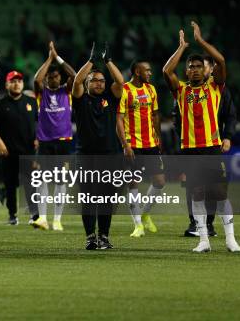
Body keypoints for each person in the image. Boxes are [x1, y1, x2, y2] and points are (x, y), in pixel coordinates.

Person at [162, 23, 240, 253]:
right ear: (187, 71)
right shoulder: (181, 91)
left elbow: (222, 61)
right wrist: (181, 48)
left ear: (205, 70)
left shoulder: (215, 87)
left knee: (219, 193)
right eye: (191, 67)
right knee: (196, 192)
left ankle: (230, 239)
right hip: (190, 149)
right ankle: (204, 240)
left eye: (199, 66)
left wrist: (201, 41)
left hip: (211, 147)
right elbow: (167, 72)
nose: (195, 69)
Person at [71, 42, 124, 250]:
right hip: (85, 155)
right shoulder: (80, 99)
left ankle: (104, 236)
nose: (99, 84)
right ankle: (90, 237)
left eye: (102, 81)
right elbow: (76, 81)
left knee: (106, 198)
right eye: (94, 81)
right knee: (88, 198)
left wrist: (108, 61)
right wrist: (91, 60)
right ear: (87, 84)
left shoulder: (111, 98)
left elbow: (120, 81)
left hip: (109, 155)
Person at [180, 55, 237, 237]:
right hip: (190, 144)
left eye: (203, 67)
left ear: (210, 69)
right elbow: (177, 117)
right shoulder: (186, 91)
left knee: (216, 188)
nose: (199, 70)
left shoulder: (219, 88)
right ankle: (195, 224)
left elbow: (230, 115)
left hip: (213, 143)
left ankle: (210, 223)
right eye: (194, 67)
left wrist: (227, 136)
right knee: (193, 188)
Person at [116, 59, 166, 237]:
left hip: (151, 144)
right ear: (137, 72)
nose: (150, 73)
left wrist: (158, 136)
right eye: (147, 70)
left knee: (159, 182)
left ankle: (144, 214)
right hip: (133, 145)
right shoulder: (126, 90)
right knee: (133, 182)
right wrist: (125, 144)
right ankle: (137, 224)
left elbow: (155, 114)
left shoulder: (151, 89)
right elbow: (119, 120)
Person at [32, 41, 76, 231]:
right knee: (42, 179)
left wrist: (57, 57)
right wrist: (49, 59)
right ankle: (42, 217)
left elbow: (74, 75)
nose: (53, 79)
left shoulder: (67, 91)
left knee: (60, 181)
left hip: (63, 141)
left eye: (56, 76)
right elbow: (36, 79)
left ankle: (57, 219)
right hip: (45, 142)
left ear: (60, 78)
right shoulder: (41, 93)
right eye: (50, 77)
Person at [0, 71, 38, 225]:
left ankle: (34, 214)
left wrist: (39, 138)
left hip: (28, 151)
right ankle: (12, 215)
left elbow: (41, 123)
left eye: (19, 81)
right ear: (7, 84)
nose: (16, 84)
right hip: (8, 152)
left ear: (23, 84)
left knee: (30, 184)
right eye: (13, 81)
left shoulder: (32, 102)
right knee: (10, 185)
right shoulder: (0, 104)